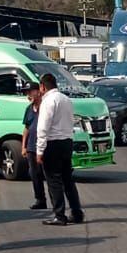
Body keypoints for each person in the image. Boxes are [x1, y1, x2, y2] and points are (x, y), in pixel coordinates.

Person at [35, 73, 84, 225]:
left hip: (53, 142)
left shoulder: (48, 101)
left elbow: (43, 127)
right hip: (67, 141)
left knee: (54, 180)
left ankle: (59, 215)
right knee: (68, 179)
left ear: (42, 86)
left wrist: (39, 150)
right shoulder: (66, 99)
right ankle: (76, 212)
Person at [22, 79, 47, 211]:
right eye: (26, 92)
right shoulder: (29, 109)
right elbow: (26, 128)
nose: (28, 95)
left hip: (45, 145)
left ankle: (56, 200)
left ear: (39, 91)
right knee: (34, 174)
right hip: (32, 146)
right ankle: (40, 199)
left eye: (30, 91)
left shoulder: (46, 106)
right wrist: (23, 146)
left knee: (49, 174)